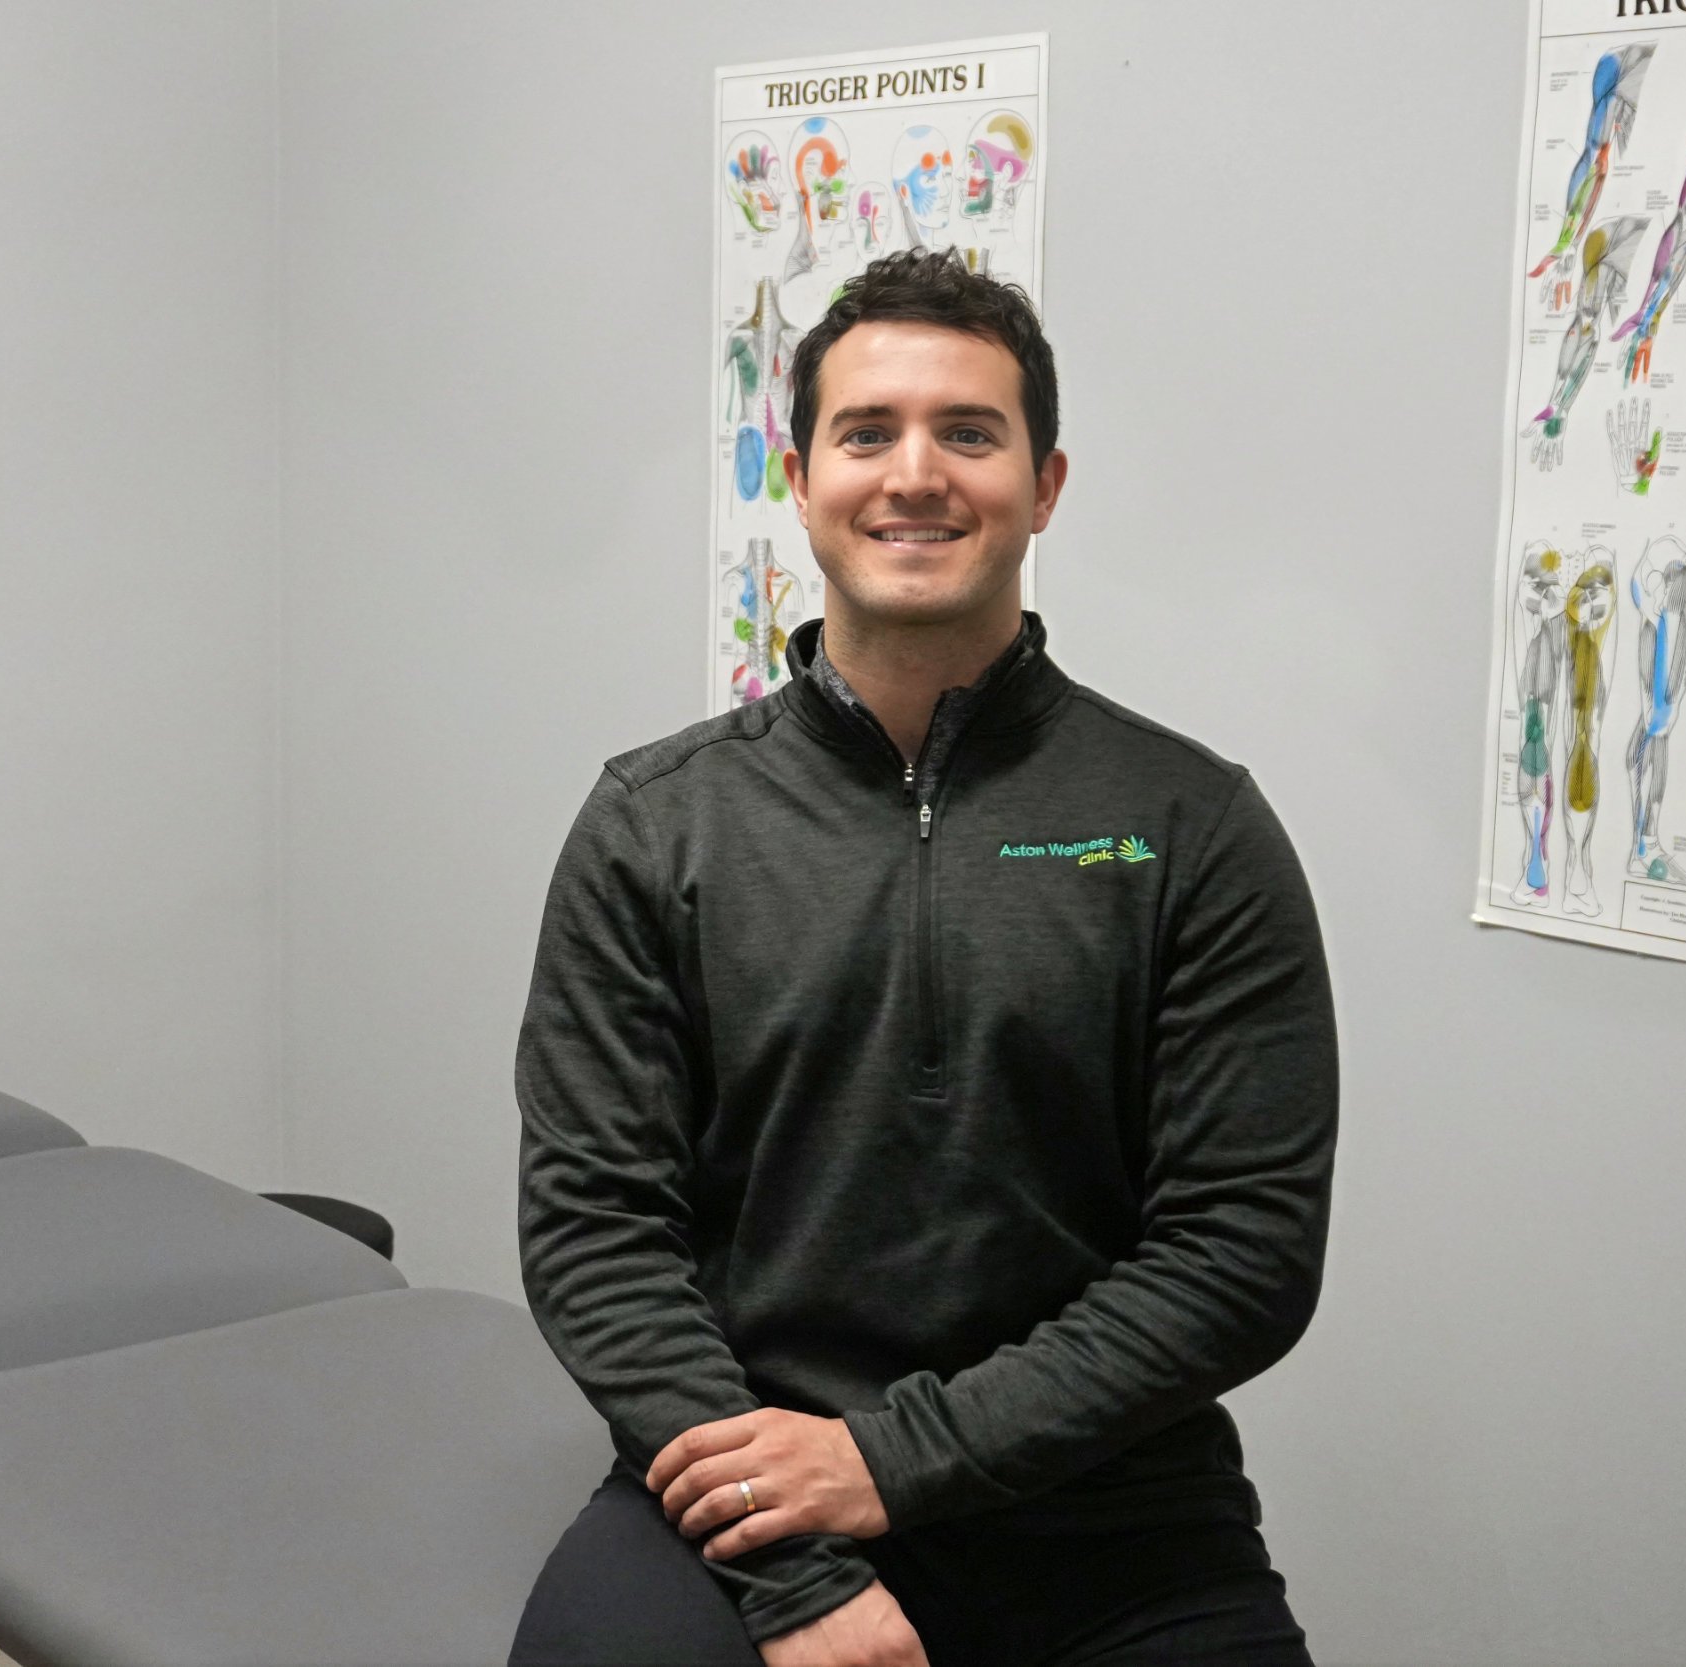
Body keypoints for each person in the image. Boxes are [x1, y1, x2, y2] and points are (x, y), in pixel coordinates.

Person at [510, 249, 1337, 1667]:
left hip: (1112, 1512)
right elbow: (598, 1234)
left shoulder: (1190, 826)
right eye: (867, 432)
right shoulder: (657, 824)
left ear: (1047, 485)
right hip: (742, 1483)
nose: (915, 473)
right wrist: (800, 1572)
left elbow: (1241, 1254)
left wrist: (890, 1462)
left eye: (969, 433)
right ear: (801, 476)